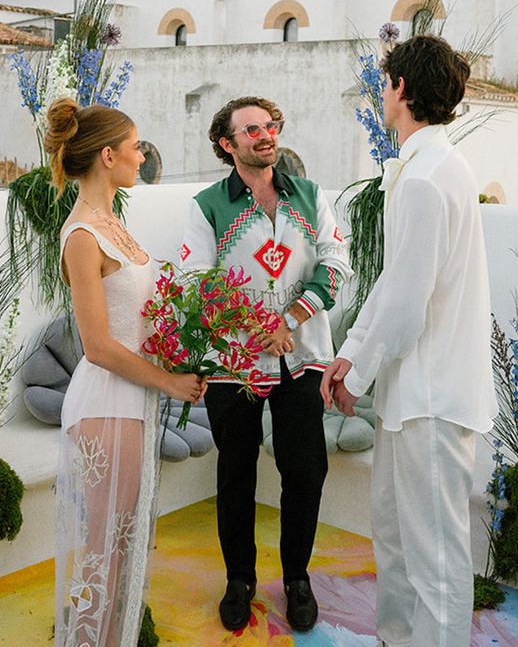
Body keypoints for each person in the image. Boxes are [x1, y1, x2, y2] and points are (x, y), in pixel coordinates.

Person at [321, 34, 497, 647]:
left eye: (385, 79)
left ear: (400, 90)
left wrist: (354, 370)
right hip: (411, 396)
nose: (380, 88)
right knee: (394, 540)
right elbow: (394, 283)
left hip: (432, 397)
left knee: (437, 560)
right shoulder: (427, 168)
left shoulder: (426, 178)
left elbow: (406, 304)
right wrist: (351, 357)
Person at [179, 95, 352, 633]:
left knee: (306, 471)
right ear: (227, 144)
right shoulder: (207, 205)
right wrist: (255, 325)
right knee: (235, 473)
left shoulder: (311, 196)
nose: (266, 134)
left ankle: (297, 578)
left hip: (301, 360)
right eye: (251, 129)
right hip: (233, 365)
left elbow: (336, 262)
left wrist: (291, 318)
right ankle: (240, 580)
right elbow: (197, 282)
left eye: (270, 125)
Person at [48, 98, 207, 647]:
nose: (143, 156)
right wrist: (169, 381)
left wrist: (185, 340)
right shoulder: (82, 237)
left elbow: (141, 317)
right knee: (103, 552)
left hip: (133, 402)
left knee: (125, 546)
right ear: (108, 156)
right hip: (105, 403)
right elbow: (96, 344)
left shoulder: (113, 223)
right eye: (136, 146)